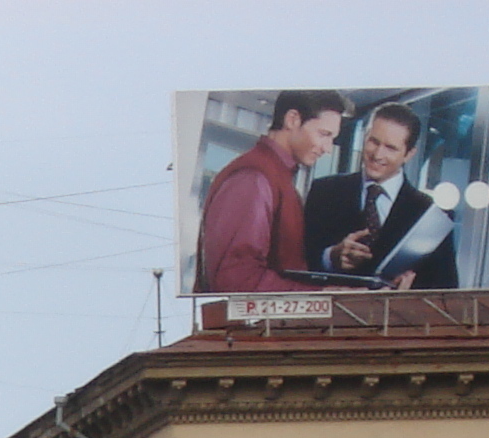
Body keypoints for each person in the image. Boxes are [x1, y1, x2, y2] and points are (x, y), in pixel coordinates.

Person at [195, 89, 351, 294]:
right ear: (293, 119)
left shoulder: (275, 178)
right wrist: (319, 295)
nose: (328, 148)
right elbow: (236, 281)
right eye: (324, 134)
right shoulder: (254, 178)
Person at [302, 100, 459, 290]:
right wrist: (331, 257)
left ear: (409, 154)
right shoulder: (324, 191)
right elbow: (297, 263)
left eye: (390, 148)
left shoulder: (431, 214)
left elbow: (446, 291)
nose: (377, 154)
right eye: (373, 141)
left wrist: (407, 299)